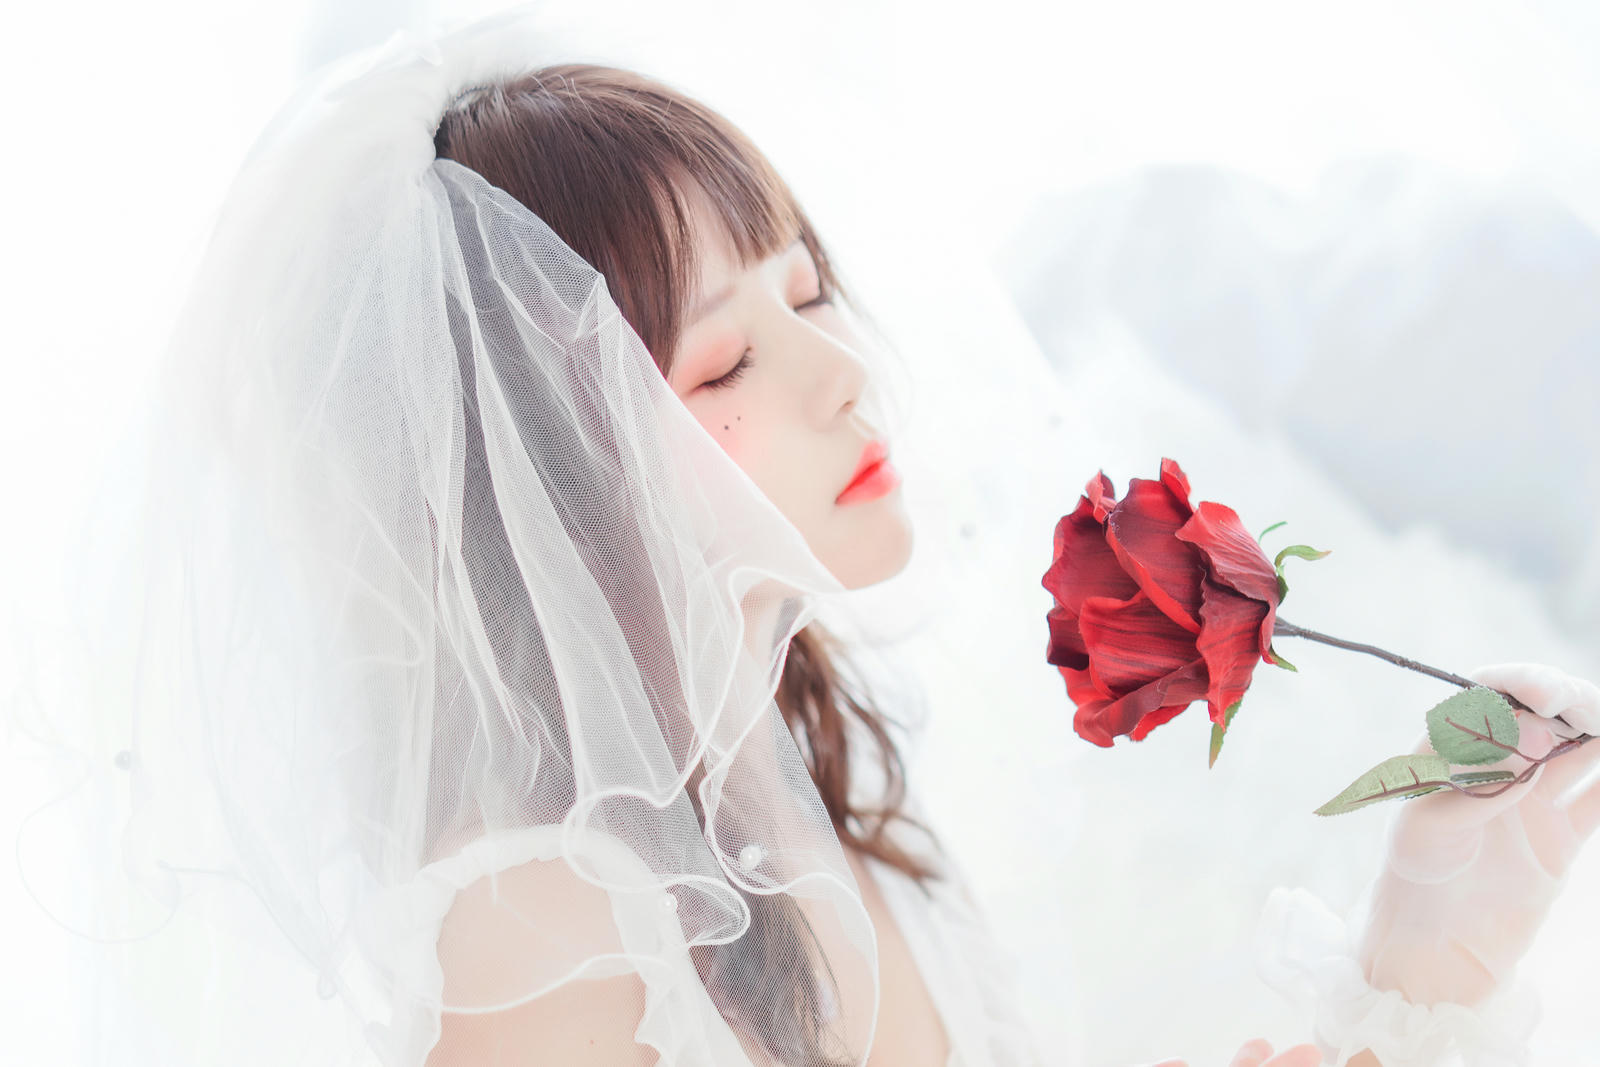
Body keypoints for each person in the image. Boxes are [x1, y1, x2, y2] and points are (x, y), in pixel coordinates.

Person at [13, 8, 1599, 1066]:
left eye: (809, 290)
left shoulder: (808, 792)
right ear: (556, 474)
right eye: (724, 363)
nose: (841, 372)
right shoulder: (544, 934)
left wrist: (1424, 962)